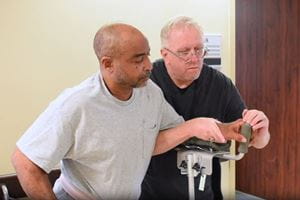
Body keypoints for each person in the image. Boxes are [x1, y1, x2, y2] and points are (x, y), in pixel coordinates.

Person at [11, 23, 245, 200]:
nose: (149, 65)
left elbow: (169, 134)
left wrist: (225, 129)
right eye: (138, 59)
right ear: (108, 64)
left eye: (147, 54)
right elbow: (24, 161)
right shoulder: (76, 104)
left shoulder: (150, 93)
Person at [141, 16, 270, 200]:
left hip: (205, 191)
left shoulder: (219, 84)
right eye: (184, 52)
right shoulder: (146, 84)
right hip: (153, 192)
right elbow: (140, 146)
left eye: (199, 49)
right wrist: (191, 128)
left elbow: (255, 139)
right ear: (165, 54)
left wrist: (260, 131)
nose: (194, 58)